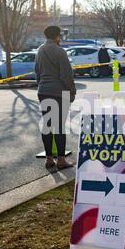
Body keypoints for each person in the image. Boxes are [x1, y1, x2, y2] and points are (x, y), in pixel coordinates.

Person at [35, 26, 76, 170]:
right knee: (59, 127)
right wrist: (72, 91)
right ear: (57, 36)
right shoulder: (60, 51)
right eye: (60, 36)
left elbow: (37, 72)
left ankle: (49, 159)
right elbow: (66, 75)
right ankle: (61, 160)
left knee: (47, 126)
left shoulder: (39, 50)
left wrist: (41, 85)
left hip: (43, 91)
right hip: (59, 92)